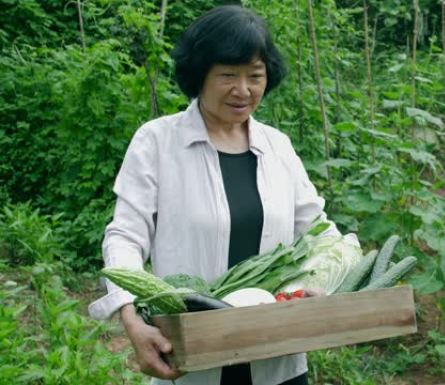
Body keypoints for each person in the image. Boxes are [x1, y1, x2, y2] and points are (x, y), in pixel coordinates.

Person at [88, 5, 353, 385]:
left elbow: (317, 230)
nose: (243, 90)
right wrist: (129, 314)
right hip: (189, 357)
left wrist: (325, 284)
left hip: (277, 356)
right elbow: (125, 237)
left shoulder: (277, 146)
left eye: (255, 76)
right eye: (228, 75)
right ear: (200, 75)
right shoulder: (158, 142)